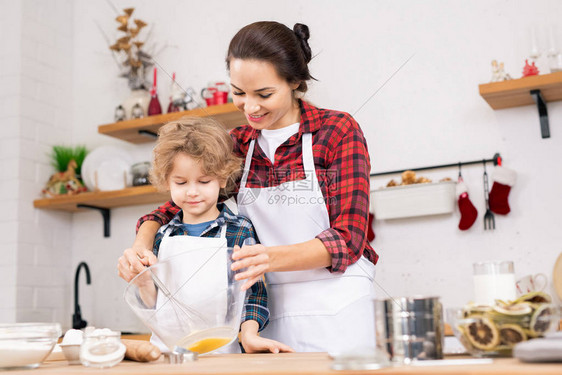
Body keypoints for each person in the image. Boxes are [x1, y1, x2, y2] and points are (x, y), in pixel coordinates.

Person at [118, 21, 378, 353]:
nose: (250, 107)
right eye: (239, 93)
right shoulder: (238, 145)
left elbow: (348, 237)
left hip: (337, 310)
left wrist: (268, 258)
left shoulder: (337, 131)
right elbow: (177, 205)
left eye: (264, 94)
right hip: (263, 320)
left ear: (295, 82)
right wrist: (142, 245)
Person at [119, 117, 291, 354]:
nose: (192, 192)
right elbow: (155, 306)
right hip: (167, 356)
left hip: (222, 355)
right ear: (167, 181)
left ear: (221, 178)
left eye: (203, 181)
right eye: (180, 182)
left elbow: (253, 293)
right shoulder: (163, 235)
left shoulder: (239, 230)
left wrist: (250, 334)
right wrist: (144, 282)